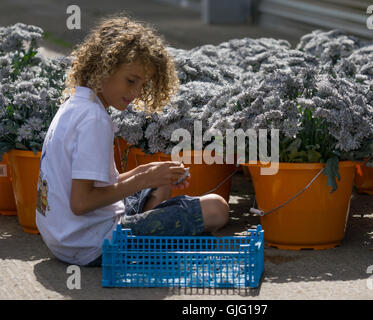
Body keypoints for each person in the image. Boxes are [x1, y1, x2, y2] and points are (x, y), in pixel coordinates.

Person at [35, 16, 229, 267]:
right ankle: (146, 243)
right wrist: (143, 179)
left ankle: (150, 234)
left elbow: (91, 188)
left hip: (62, 239)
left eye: (142, 84)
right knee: (217, 208)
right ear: (103, 66)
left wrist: (146, 172)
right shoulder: (93, 118)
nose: (136, 92)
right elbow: (81, 203)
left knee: (160, 187)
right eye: (131, 80)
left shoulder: (76, 104)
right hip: (92, 245)